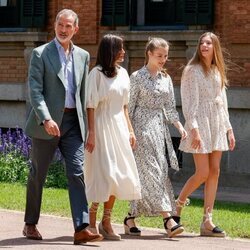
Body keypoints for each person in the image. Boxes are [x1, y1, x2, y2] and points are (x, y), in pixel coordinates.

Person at [23, 9, 103, 244]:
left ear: (76, 29)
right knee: (38, 174)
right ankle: (30, 223)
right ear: (55, 25)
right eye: (60, 24)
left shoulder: (83, 56)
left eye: (68, 26)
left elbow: (83, 95)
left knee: (77, 172)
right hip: (46, 123)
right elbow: (35, 91)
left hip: (73, 124)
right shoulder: (40, 54)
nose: (63, 29)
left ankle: (81, 228)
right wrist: (46, 118)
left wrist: (89, 130)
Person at [124, 37, 187, 238]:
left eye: (165, 56)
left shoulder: (165, 79)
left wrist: (180, 126)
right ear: (149, 54)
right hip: (140, 130)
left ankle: (129, 218)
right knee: (151, 172)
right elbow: (128, 107)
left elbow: (169, 107)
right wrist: (129, 132)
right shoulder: (136, 77)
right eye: (159, 55)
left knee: (156, 173)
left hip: (159, 131)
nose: (163, 59)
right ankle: (168, 219)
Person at [177, 32, 236, 237]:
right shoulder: (191, 70)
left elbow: (223, 102)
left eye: (208, 43)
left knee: (215, 171)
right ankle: (178, 207)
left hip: (217, 122)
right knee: (202, 172)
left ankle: (207, 221)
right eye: (201, 42)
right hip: (200, 123)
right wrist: (194, 129)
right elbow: (189, 102)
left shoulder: (218, 70)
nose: (204, 45)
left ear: (215, 47)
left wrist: (229, 129)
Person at [84, 34, 141, 240]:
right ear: (110, 50)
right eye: (120, 48)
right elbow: (90, 105)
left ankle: (106, 221)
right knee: (104, 175)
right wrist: (91, 133)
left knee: (118, 175)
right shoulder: (96, 74)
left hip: (119, 128)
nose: (123, 51)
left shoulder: (124, 73)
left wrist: (131, 130)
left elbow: (124, 106)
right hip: (100, 128)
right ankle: (91, 221)